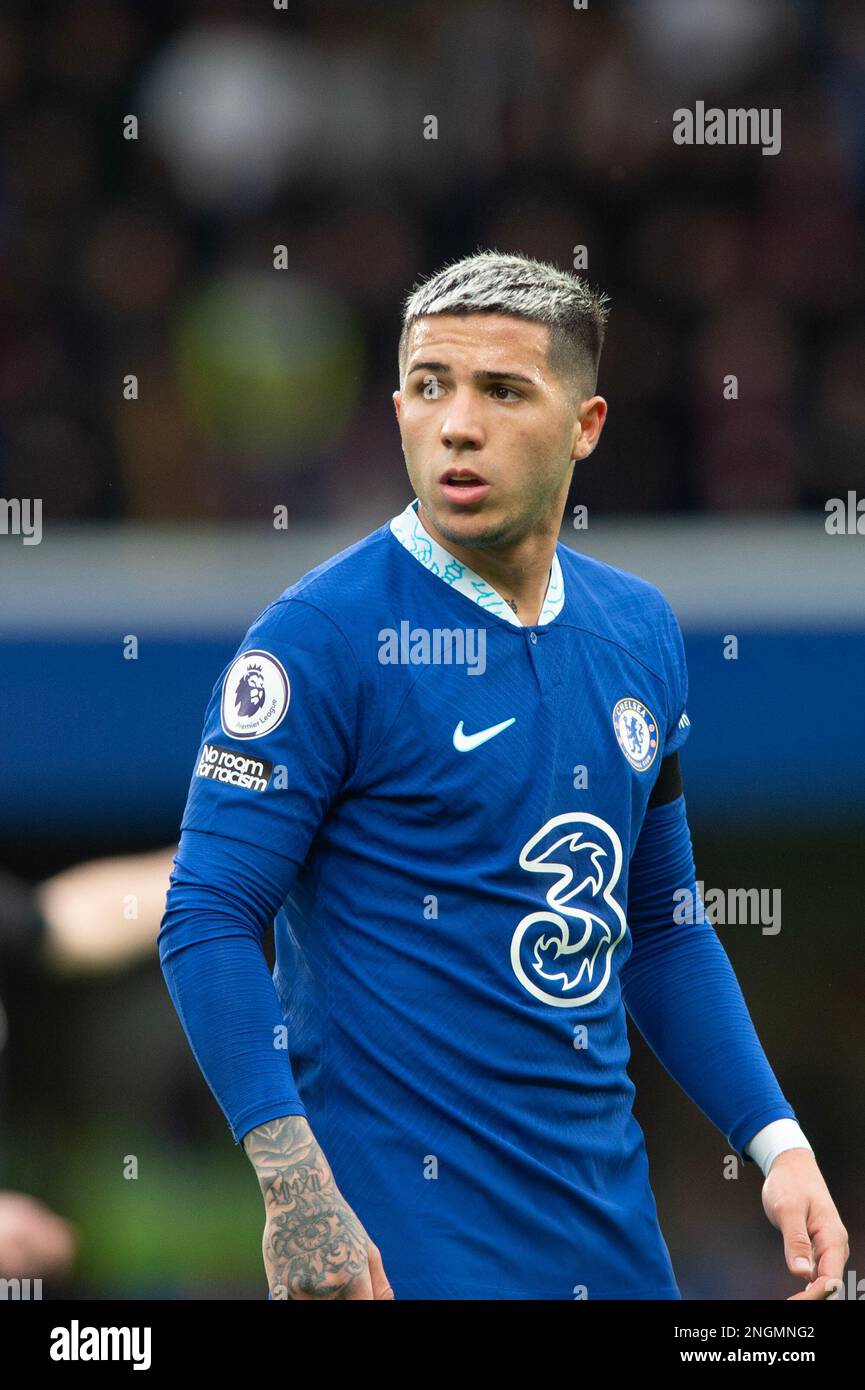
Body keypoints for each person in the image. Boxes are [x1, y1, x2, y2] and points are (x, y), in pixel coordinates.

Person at [158, 250, 847, 1301]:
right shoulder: (319, 639)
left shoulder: (638, 630)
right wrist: (297, 1189)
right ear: (395, 410)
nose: (457, 424)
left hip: (609, 1244)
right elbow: (206, 913)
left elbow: (659, 922)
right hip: (401, 1249)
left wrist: (776, 1140)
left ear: (587, 424)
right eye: (430, 386)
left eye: (502, 390)